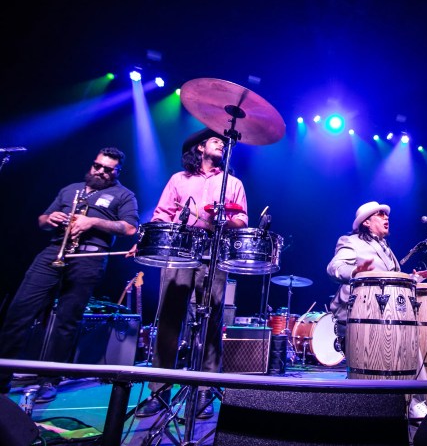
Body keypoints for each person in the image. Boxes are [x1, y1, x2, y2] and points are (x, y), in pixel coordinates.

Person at [0, 147, 139, 402]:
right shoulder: (70, 189)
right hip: (53, 251)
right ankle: (2, 376)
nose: (100, 172)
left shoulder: (123, 195)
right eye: (97, 166)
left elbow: (130, 228)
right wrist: (50, 218)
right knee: (18, 312)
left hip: (88, 257)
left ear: (117, 171)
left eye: (108, 170)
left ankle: (49, 380)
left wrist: (93, 222)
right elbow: (41, 221)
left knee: (67, 320)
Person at [130, 128, 248, 419]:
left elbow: (242, 219)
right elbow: (161, 215)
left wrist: (224, 219)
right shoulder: (178, 180)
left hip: (214, 252)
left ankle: (205, 390)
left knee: (211, 320)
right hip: (179, 252)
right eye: (215, 140)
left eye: (223, 142)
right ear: (199, 148)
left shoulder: (232, 182)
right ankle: (159, 390)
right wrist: (147, 240)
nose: (222, 144)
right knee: (169, 319)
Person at [326, 201, 427, 418]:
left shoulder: (386, 248)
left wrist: (411, 278)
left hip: (386, 313)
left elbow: (389, 279)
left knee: (408, 347)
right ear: (366, 222)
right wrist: (355, 271)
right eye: (380, 214)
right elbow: (334, 267)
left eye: (386, 214)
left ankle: (413, 401)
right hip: (359, 314)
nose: (386, 217)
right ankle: (408, 403)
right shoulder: (350, 241)